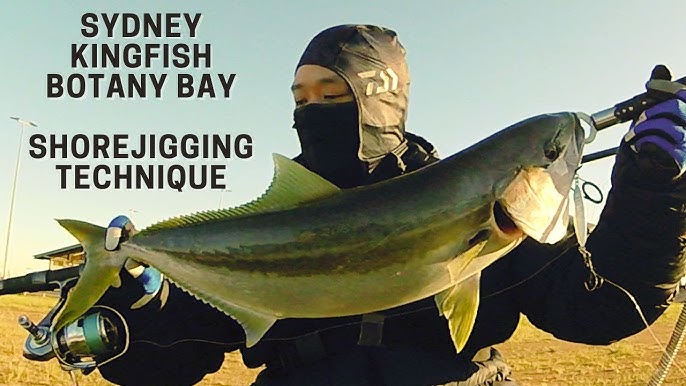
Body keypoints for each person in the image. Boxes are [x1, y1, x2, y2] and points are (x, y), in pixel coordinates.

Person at [92, 25, 686, 385]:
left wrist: (654, 190)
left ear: (382, 97)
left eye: (333, 92)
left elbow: (602, 311)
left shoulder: (479, 200)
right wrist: (128, 308)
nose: (313, 108)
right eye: (302, 96)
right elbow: (165, 365)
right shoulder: (269, 231)